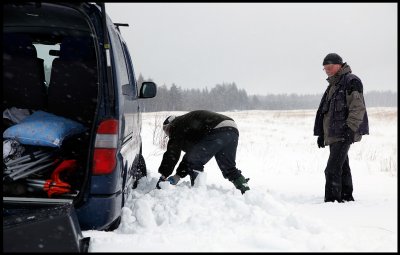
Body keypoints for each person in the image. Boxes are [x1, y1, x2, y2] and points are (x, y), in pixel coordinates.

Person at [314, 53, 369, 203]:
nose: (327, 71)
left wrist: (350, 129)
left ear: (339, 65)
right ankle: (346, 197)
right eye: (325, 69)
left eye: (330, 67)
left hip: (343, 133)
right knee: (342, 166)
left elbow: (357, 108)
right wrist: (322, 134)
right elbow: (326, 112)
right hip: (334, 134)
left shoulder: (351, 81)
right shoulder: (333, 85)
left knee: (332, 169)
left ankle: (332, 201)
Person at [156, 110, 250, 194]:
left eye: (166, 130)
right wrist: (177, 176)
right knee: (228, 167)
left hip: (217, 129)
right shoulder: (189, 127)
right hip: (231, 130)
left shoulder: (177, 125)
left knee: (195, 162)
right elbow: (190, 156)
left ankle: (198, 193)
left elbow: (172, 154)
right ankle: (246, 192)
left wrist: (164, 176)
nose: (168, 134)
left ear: (170, 125)